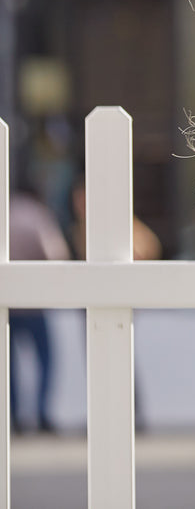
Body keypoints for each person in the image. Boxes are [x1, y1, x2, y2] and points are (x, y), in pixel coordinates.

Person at [9, 181, 71, 433]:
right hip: (34, 302)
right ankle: (42, 413)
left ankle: (13, 417)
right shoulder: (37, 214)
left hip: (7, 301)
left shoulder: (6, 213)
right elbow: (56, 254)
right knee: (45, 359)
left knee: (8, 363)